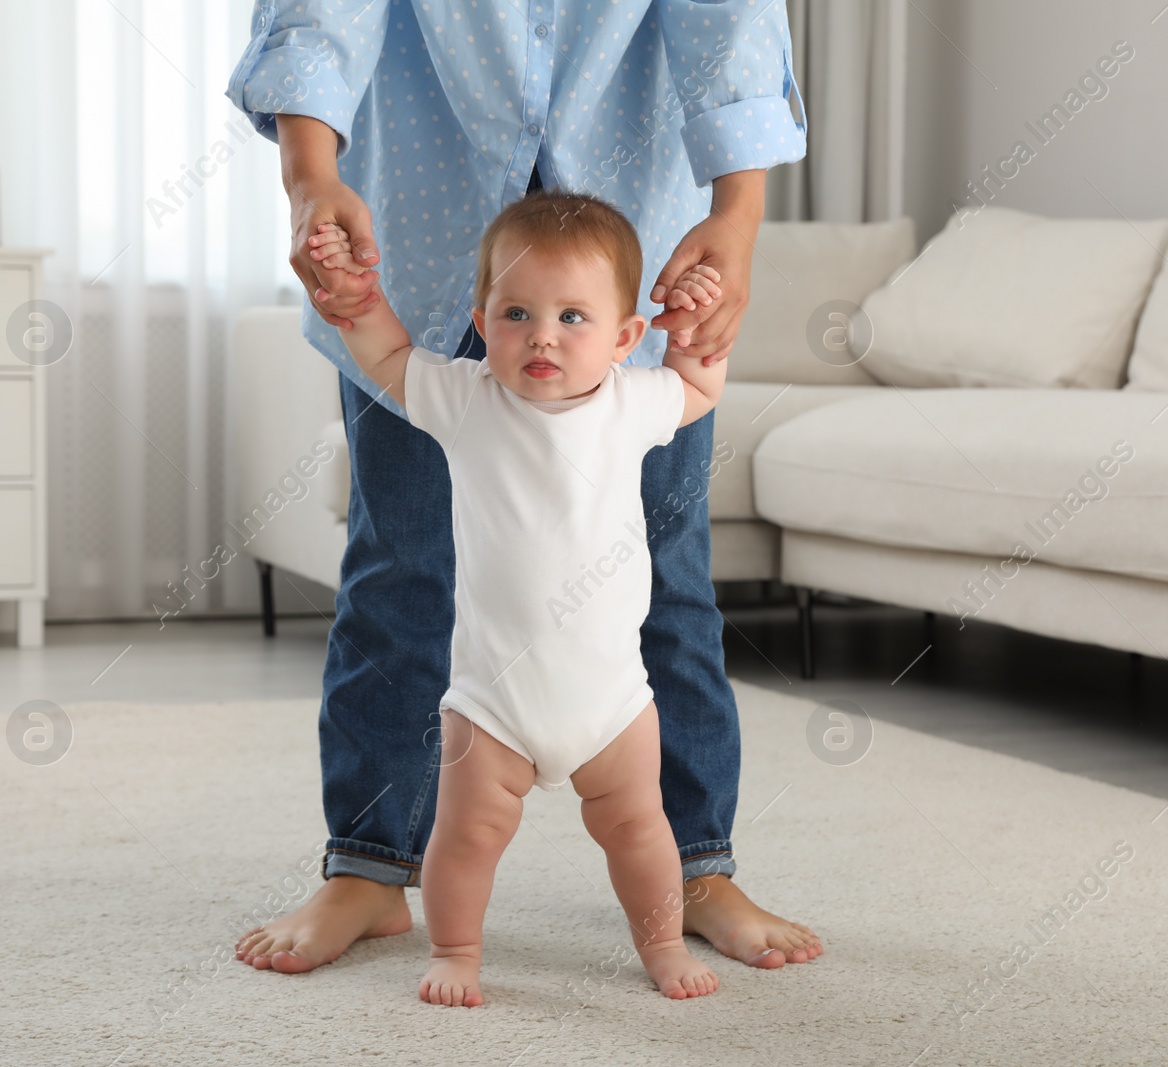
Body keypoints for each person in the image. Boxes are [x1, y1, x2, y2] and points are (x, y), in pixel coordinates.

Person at [226, 0, 822, 974]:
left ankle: (697, 866)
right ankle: (370, 868)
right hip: (422, 207)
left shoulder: (635, 365)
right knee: (397, 563)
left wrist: (738, 213)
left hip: (641, 211)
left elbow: (729, 21)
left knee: (668, 574)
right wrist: (308, 175)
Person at [311, 189, 728, 1005]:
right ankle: (456, 949)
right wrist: (356, 301)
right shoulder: (469, 399)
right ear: (482, 316)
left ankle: (665, 942)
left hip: (613, 703)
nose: (542, 333)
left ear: (624, 338)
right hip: (490, 706)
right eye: (515, 313)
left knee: (641, 830)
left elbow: (700, 387)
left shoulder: (633, 403)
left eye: (574, 316)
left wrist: (697, 319)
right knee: (467, 836)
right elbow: (389, 357)